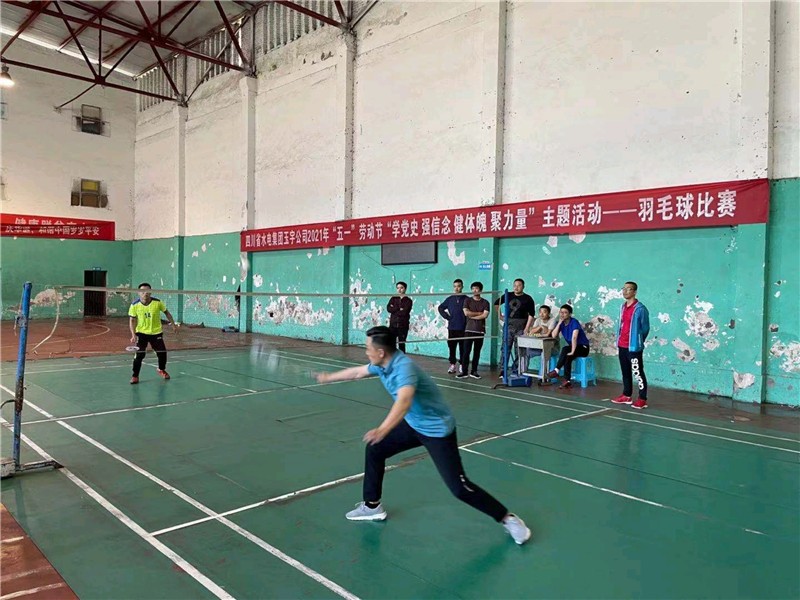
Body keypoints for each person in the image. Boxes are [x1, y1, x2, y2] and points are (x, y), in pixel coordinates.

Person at [315, 326, 531, 545]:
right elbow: (358, 372)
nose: (366, 352)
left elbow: (404, 401)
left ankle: (509, 519)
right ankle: (372, 506)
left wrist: (383, 429)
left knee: (459, 488)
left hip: (437, 431)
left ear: (381, 352)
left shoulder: (404, 368)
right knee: (375, 449)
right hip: (414, 424)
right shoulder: (382, 364)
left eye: (368, 348)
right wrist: (328, 377)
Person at [128, 283, 178, 384]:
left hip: (156, 333)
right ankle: (135, 376)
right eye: (142, 291)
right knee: (139, 355)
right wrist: (133, 335)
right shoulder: (134, 305)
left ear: (150, 292)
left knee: (162, 353)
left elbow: (167, 313)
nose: (145, 293)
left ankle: (161, 369)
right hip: (141, 333)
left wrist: (173, 324)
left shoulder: (157, 302)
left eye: (147, 291)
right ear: (139, 293)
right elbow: (132, 320)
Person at [612, 281, 650, 409]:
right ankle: (626, 395)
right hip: (622, 345)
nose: (625, 291)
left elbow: (645, 328)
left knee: (637, 373)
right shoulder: (622, 307)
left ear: (634, 292)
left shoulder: (640, 309)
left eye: (628, 289)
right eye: (624, 288)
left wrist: (637, 340)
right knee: (625, 372)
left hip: (633, 347)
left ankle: (642, 399)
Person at [493, 278, 536, 376]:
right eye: (515, 285)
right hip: (509, 325)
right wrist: (500, 316)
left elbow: (531, 315)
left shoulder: (528, 299)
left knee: (519, 349)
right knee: (505, 347)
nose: (516, 287)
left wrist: (526, 328)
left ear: (523, 287)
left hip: (521, 325)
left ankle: (516, 370)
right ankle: (503, 370)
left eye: (519, 285)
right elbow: (496, 303)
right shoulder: (508, 295)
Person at [547, 304, 590, 389]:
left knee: (566, 350)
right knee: (567, 356)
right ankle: (567, 381)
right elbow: (553, 335)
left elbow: (574, 338)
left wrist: (572, 351)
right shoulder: (561, 323)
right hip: (573, 347)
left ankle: (556, 370)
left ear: (570, 314)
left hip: (583, 347)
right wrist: (559, 323)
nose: (562, 314)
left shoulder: (574, 322)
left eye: (565, 312)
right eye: (561, 312)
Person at [458, 281, 490, 379]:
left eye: (476, 288)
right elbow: (466, 313)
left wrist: (473, 316)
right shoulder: (467, 301)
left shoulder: (485, 302)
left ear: (480, 290)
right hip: (468, 330)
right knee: (466, 352)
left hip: (480, 330)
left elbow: (485, 315)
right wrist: (479, 313)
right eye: (473, 289)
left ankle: (474, 371)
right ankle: (464, 372)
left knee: (477, 352)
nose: (474, 290)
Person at [437, 279, 468, 374]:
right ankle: (452, 365)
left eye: (459, 286)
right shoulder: (450, 299)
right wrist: (447, 317)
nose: (457, 288)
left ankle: (462, 365)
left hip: (463, 328)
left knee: (463, 347)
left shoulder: (467, 299)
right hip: (452, 328)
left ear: (462, 287)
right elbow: (440, 307)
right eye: (455, 286)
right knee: (452, 347)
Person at [524, 305, 559, 375]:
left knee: (544, 354)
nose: (542, 314)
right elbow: (531, 332)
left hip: (552, 348)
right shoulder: (538, 320)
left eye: (544, 312)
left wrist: (538, 332)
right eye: (540, 312)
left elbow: (547, 334)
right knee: (526, 351)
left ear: (549, 313)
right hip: (540, 347)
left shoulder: (552, 320)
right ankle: (524, 372)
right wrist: (540, 327)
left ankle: (543, 376)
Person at [387, 281, 413, 353]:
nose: (399, 290)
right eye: (398, 288)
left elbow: (404, 312)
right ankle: (393, 359)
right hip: (393, 325)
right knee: (391, 344)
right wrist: (399, 308)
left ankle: (402, 358)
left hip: (403, 326)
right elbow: (388, 308)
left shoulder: (408, 301)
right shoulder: (393, 298)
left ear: (405, 289)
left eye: (401, 288)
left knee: (401, 344)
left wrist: (394, 309)